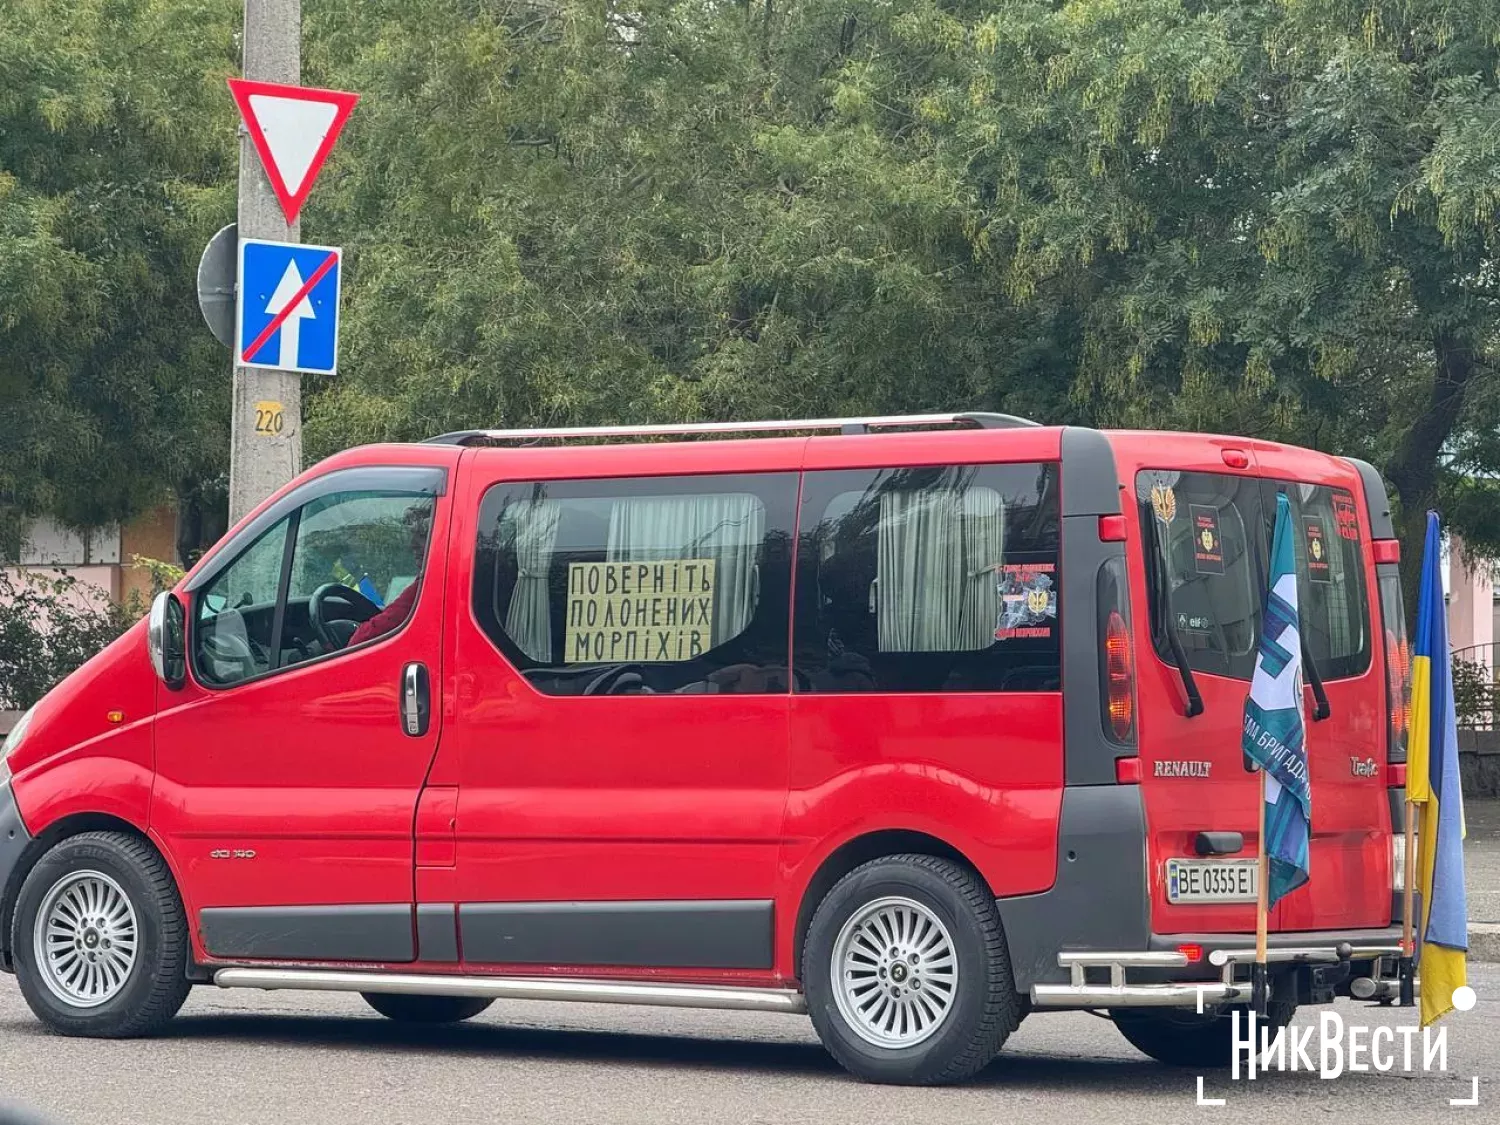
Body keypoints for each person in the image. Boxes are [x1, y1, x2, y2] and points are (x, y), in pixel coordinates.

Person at [348, 502, 431, 647]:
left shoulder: (431, 585)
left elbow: (374, 632)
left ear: (438, 537)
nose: (413, 545)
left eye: (421, 536)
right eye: (413, 536)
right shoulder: (431, 581)